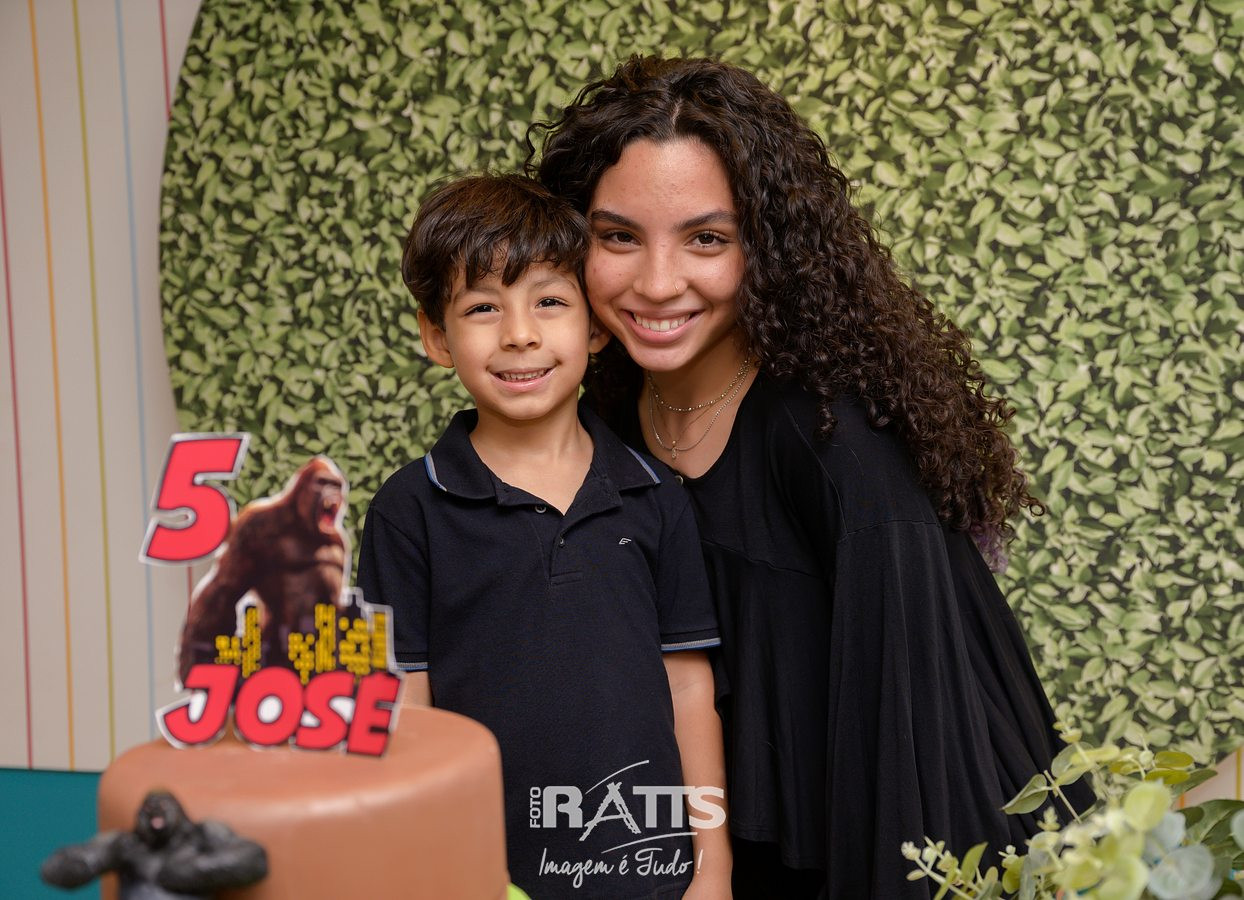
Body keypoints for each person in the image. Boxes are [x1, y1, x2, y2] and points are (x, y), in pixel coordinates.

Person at [532, 56, 1092, 899]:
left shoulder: (833, 441)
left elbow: (916, 764)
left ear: (769, 249)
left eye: (706, 239)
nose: (656, 283)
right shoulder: (606, 415)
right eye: (618, 237)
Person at [355, 174, 732, 899]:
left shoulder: (657, 498)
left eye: (550, 302)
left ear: (595, 325)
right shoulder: (409, 510)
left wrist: (712, 866)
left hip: (650, 874)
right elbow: (405, 706)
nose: (519, 334)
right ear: (436, 336)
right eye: (482, 308)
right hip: (483, 879)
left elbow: (690, 690)